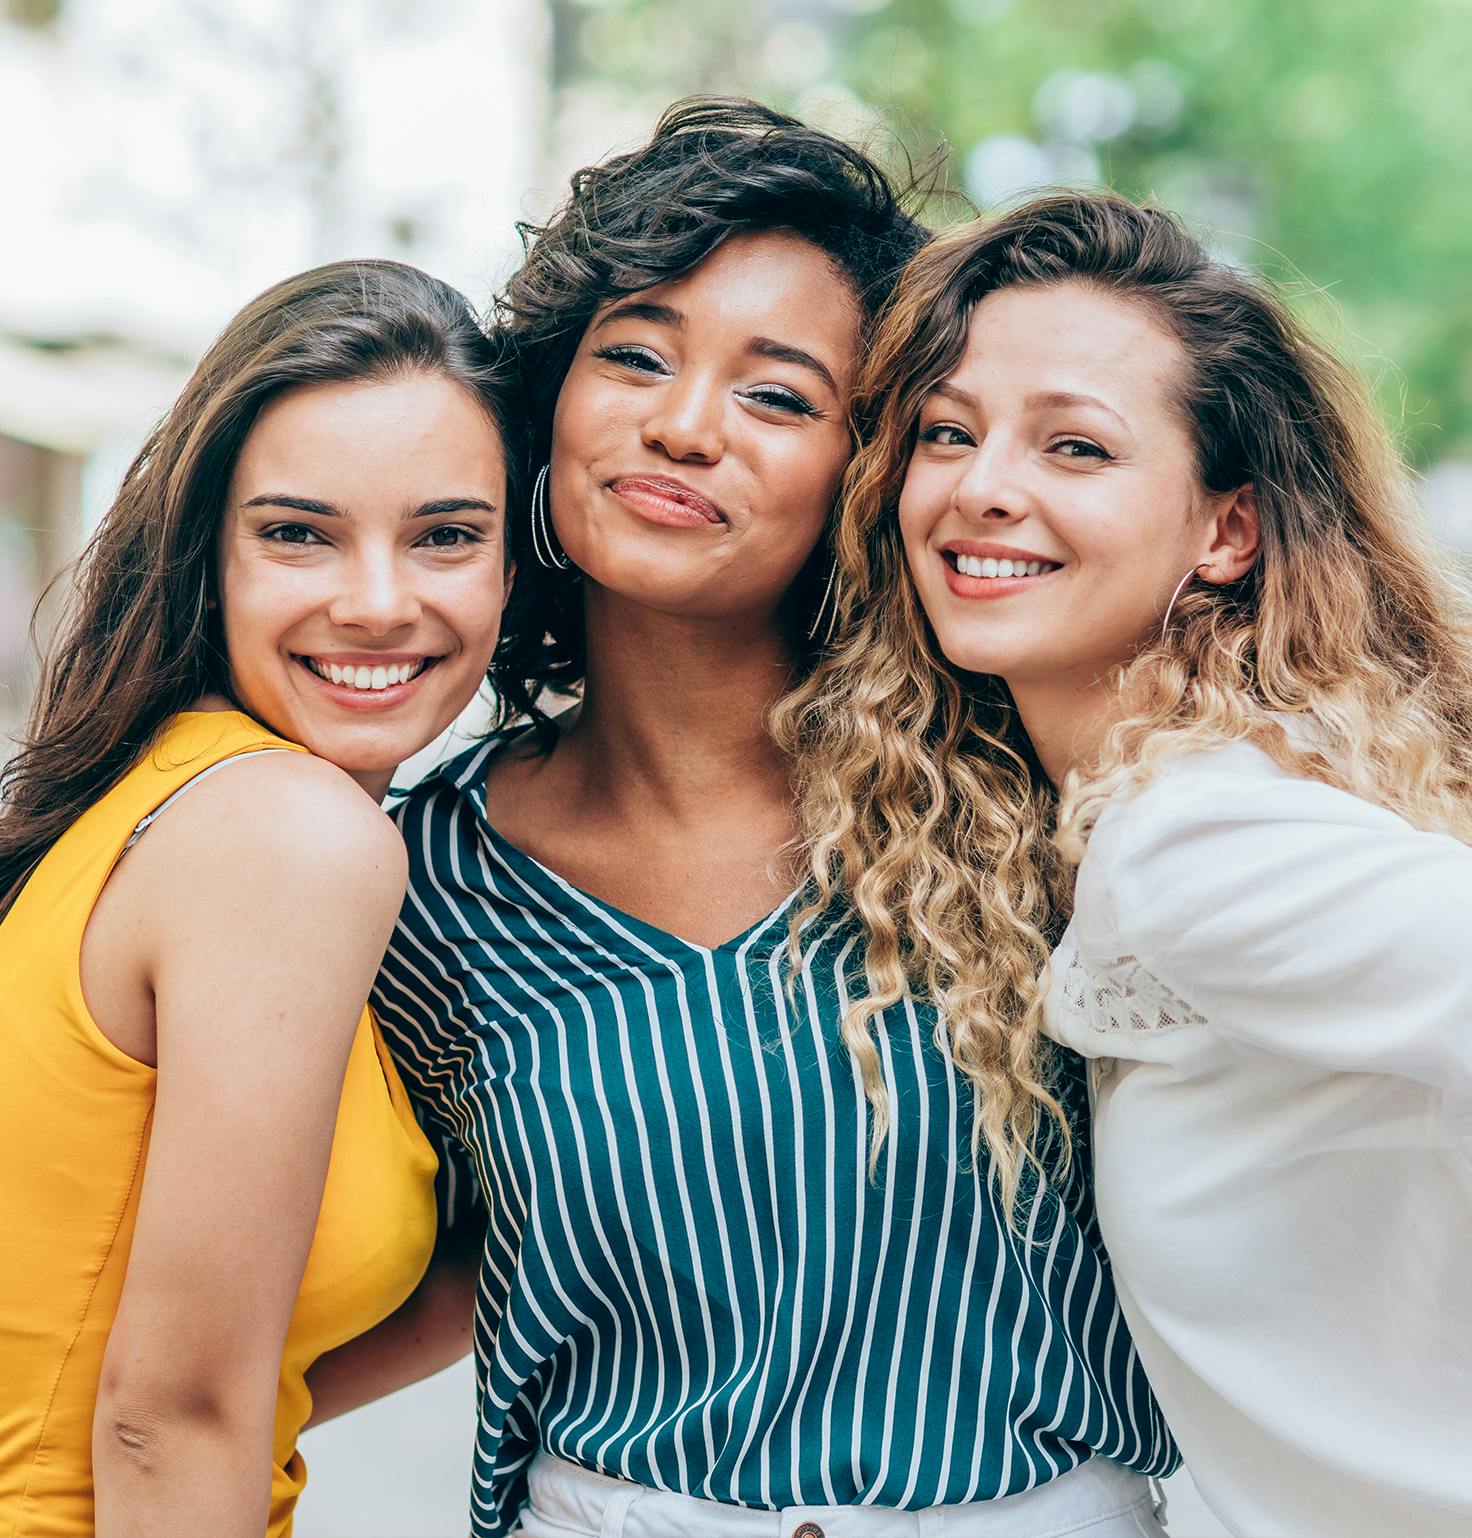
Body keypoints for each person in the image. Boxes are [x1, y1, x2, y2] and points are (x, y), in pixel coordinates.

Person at [370, 102, 1176, 1538]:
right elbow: (434, 1270)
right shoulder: (417, 878)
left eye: (779, 395)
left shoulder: (1030, 793)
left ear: (863, 470)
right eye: (635, 355)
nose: (682, 425)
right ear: (547, 406)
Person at [779, 190, 1472, 1536]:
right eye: (948, 432)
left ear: (1227, 530)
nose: (985, 483)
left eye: (1076, 447)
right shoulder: (1203, 795)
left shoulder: (1194, 839)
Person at [0, 259, 520, 1538]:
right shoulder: (288, 834)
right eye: (298, 532)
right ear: (207, 553)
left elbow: (245, 1370)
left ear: (516, 563)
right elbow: (165, 1415)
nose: (378, 601)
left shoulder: (173, 788)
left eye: (446, 534)